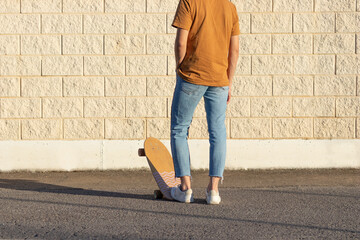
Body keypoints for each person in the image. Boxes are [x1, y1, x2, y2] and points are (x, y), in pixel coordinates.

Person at [169, 0, 240, 204]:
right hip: (220, 80)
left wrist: (180, 69)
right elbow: (234, 51)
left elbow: (181, 42)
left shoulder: (189, 2)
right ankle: (213, 191)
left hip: (191, 77)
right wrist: (229, 81)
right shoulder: (229, 7)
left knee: (179, 129)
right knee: (217, 132)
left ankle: (185, 188)